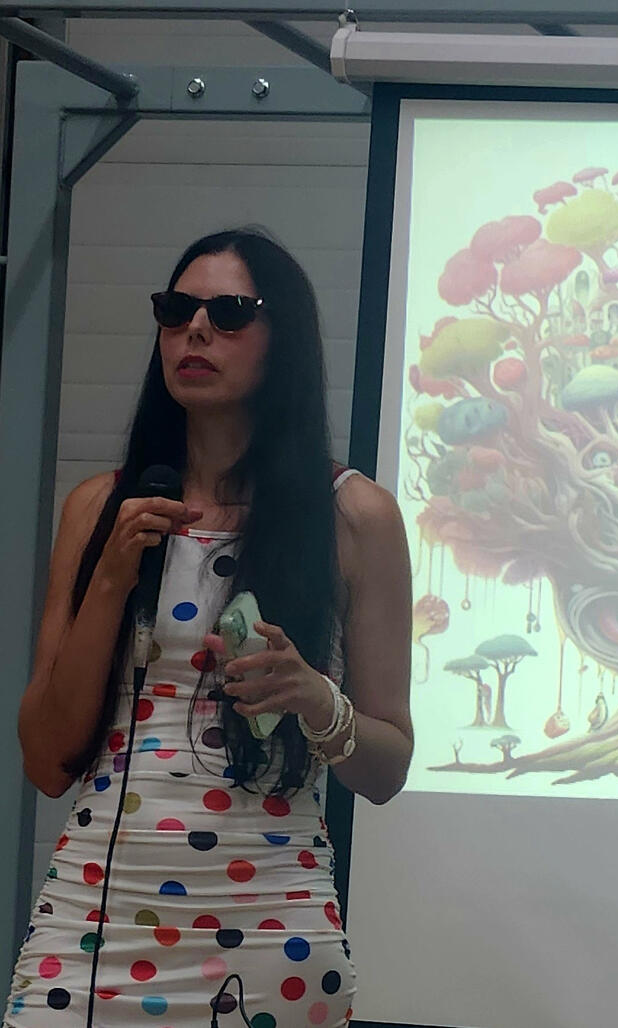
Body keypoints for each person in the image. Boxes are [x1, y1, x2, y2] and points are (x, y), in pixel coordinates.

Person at [5, 228, 413, 1027]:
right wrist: (114, 575)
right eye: (176, 309)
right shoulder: (102, 509)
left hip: (270, 928)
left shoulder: (354, 516)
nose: (195, 329)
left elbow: (388, 767)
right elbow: (46, 759)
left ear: (282, 338)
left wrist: (313, 698)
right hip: (95, 922)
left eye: (229, 312)